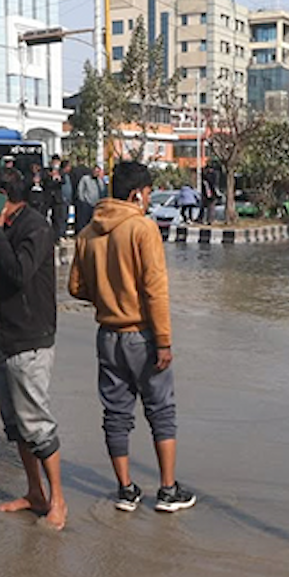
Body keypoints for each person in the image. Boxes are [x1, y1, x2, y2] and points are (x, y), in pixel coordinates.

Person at [70, 160, 195, 514]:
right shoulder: (143, 228)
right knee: (161, 411)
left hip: (107, 336)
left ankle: (125, 490)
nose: (149, 198)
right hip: (142, 335)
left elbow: (76, 287)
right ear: (136, 193)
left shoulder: (87, 234)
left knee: (116, 414)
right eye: (149, 192)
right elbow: (155, 290)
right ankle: (168, 490)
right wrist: (164, 341)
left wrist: (108, 297)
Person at [0, 167, 67, 529]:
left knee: (37, 426)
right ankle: (35, 492)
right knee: (16, 427)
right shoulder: (4, 227)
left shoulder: (35, 228)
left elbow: (17, 273)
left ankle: (58, 500)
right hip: (1, 336)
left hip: (29, 339)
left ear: (3, 197)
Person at [75, 165, 104, 239]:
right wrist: (83, 200)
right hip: (87, 204)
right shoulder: (85, 179)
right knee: (84, 222)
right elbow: (80, 190)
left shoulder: (100, 181)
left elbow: (103, 191)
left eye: (98, 171)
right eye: (95, 171)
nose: (96, 173)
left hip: (96, 204)